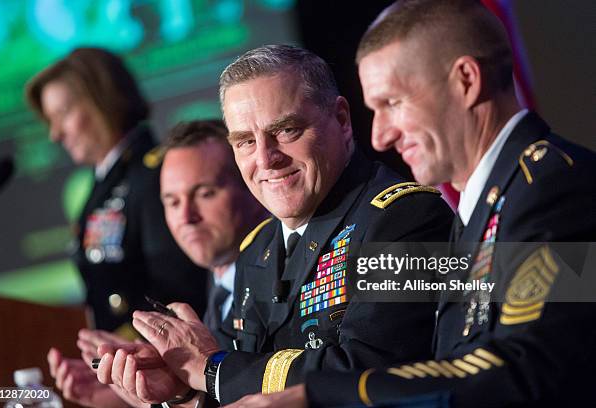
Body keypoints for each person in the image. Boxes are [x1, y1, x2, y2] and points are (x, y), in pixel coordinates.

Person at [226, 1, 596, 407]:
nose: (381, 136)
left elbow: (522, 368)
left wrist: (313, 395)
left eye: (393, 103)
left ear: (466, 81)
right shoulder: (489, 206)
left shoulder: (554, 188)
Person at [96, 44, 454, 406]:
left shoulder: (406, 218)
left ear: (342, 120)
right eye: (246, 142)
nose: (266, 159)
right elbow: (233, 384)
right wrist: (183, 388)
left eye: (286, 130)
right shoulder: (257, 248)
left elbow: (369, 372)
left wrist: (211, 369)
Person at [46, 119, 269, 407]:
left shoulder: (275, 279)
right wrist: (132, 395)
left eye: (204, 193)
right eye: (172, 201)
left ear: (252, 188)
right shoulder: (214, 289)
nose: (186, 217)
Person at [25, 47, 208, 333]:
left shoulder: (153, 175)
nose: (55, 133)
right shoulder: (106, 180)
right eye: (51, 120)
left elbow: (177, 289)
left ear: (105, 100)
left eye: (63, 114)